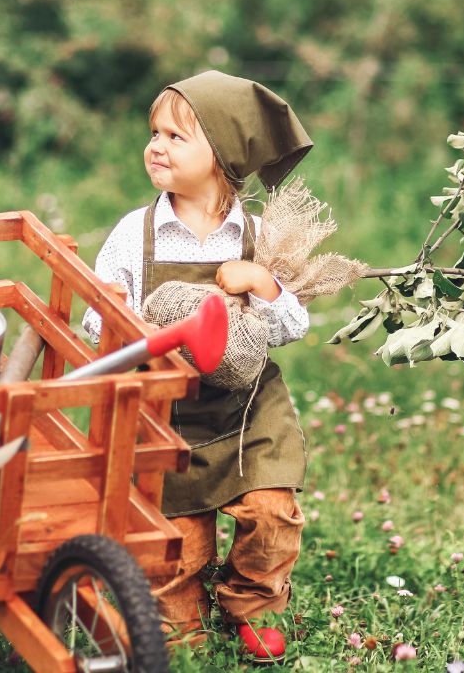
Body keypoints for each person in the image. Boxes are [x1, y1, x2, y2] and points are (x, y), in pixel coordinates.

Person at [82, 70, 313, 662]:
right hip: (166, 416)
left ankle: (252, 603)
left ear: (224, 156)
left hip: (245, 410)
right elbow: (98, 328)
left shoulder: (255, 237)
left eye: (175, 137)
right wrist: (118, 315)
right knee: (174, 553)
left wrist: (263, 285)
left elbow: (291, 328)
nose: (155, 146)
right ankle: (184, 609)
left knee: (272, 514)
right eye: (153, 133)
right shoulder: (135, 234)